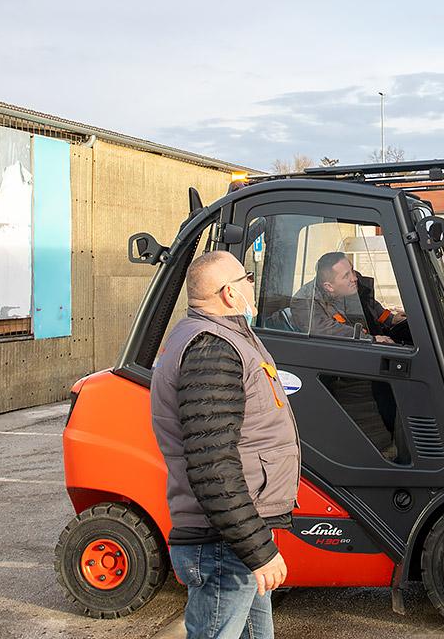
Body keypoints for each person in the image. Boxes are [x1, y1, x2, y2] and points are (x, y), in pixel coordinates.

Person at [150, 250, 298, 639]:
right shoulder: (211, 349)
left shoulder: (226, 339)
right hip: (223, 544)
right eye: (247, 276)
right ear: (229, 294)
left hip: (234, 537)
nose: (254, 283)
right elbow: (212, 463)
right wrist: (256, 548)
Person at [291, 251, 407, 344]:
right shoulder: (304, 303)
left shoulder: (353, 286)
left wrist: (391, 319)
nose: (354, 278)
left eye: (352, 270)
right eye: (346, 275)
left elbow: (370, 307)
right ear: (329, 287)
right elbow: (327, 332)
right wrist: (371, 340)